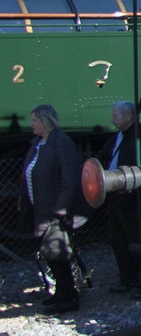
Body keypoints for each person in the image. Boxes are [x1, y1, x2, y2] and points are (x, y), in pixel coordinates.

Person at [21, 105, 86, 313]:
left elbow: (70, 179)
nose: (31, 124)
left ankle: (69, 298)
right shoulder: (38, 144)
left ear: (44, 121)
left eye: (34, 120)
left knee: (57, 252)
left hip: (54, 211)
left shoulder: (61, 143)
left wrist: (61, 208)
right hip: (40, 208)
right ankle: (61, 293)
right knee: (50, 254)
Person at [97, 100, 141, 299]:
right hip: (116, 196)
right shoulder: (118, 137)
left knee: (138, 240)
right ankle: (128, 279)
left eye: (116, 116)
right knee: (119, 240)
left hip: (135, 197)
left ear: (129, 116)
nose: (112, 120)